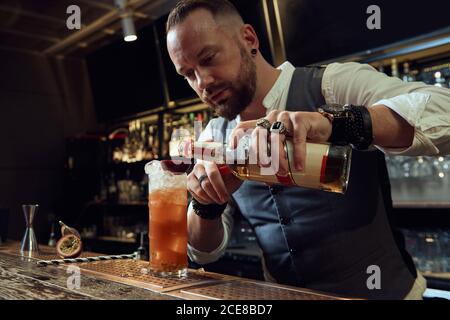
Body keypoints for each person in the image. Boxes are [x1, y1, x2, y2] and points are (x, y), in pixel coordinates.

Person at [165, 0, 450, 299]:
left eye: (208, 58)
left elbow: (444, 110)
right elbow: (203, 253)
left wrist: (336, 123)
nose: (203, 82)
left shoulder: (331, 85)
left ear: (248, 38)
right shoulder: (214, 136)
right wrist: (206, 204)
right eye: (188, 74)